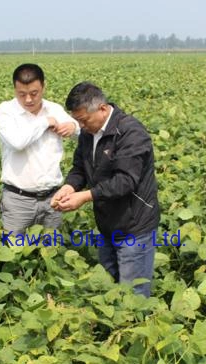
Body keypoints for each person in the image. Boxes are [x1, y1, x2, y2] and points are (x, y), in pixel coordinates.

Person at [52, 82, 160, 297]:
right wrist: (69, 186)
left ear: (102, 109)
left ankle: (133, 328)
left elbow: (125, 181)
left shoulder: (130, 132)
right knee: (108, 288)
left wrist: (85, 196)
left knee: (132, 296)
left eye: (83, 120)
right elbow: (80, 168)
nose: (81, 126)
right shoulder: (88, 132)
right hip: (108, 224)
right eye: (78, 121)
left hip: (134, 226)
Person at [0, 63, 79, 235]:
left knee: (50, 252)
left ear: (43, 87)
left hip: (52, 198)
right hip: (18, 200)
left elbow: (80, 130)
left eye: (34, 93)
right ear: (14, 89)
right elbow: (17, 142)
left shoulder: (54, 109)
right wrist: (45, 122)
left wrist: (73, 126)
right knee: (14, 253)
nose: (28, 100)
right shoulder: (5, 112)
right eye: (22, 94)